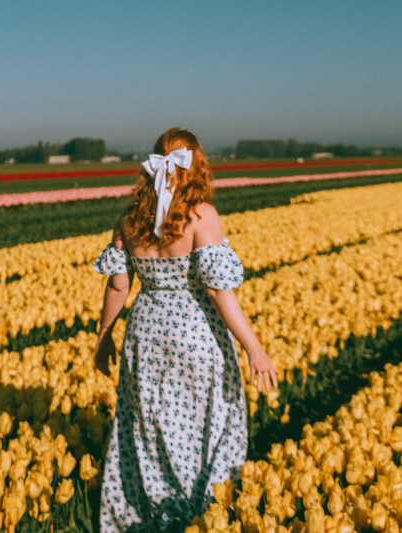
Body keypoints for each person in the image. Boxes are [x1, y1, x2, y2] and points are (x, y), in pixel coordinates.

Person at [93, 127, 278, 532]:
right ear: (196, 166)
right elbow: (217, 291)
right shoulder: (200, 216)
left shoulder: (129, 219)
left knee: (150, 426)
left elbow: (119, 285)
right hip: (195, 336)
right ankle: (203, 514)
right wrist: (254, 347)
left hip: (145, 335)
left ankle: (156, 511)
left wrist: (104, 336)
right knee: (206, 424)